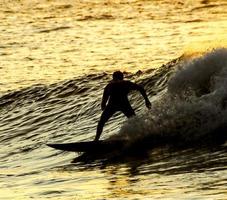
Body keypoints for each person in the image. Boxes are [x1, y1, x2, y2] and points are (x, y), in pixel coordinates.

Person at [94, 71, 151, 141]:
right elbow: (140, 88)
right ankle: (142, 135)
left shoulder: (109, 86)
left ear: (113, 78)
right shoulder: (126, 83)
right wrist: (146, 100)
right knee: (135, 120)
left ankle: (96, 139)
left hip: (114, 105)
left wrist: (104, 107)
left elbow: (103, 102)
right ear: (122, 77)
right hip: (123, 104)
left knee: (101, 122)